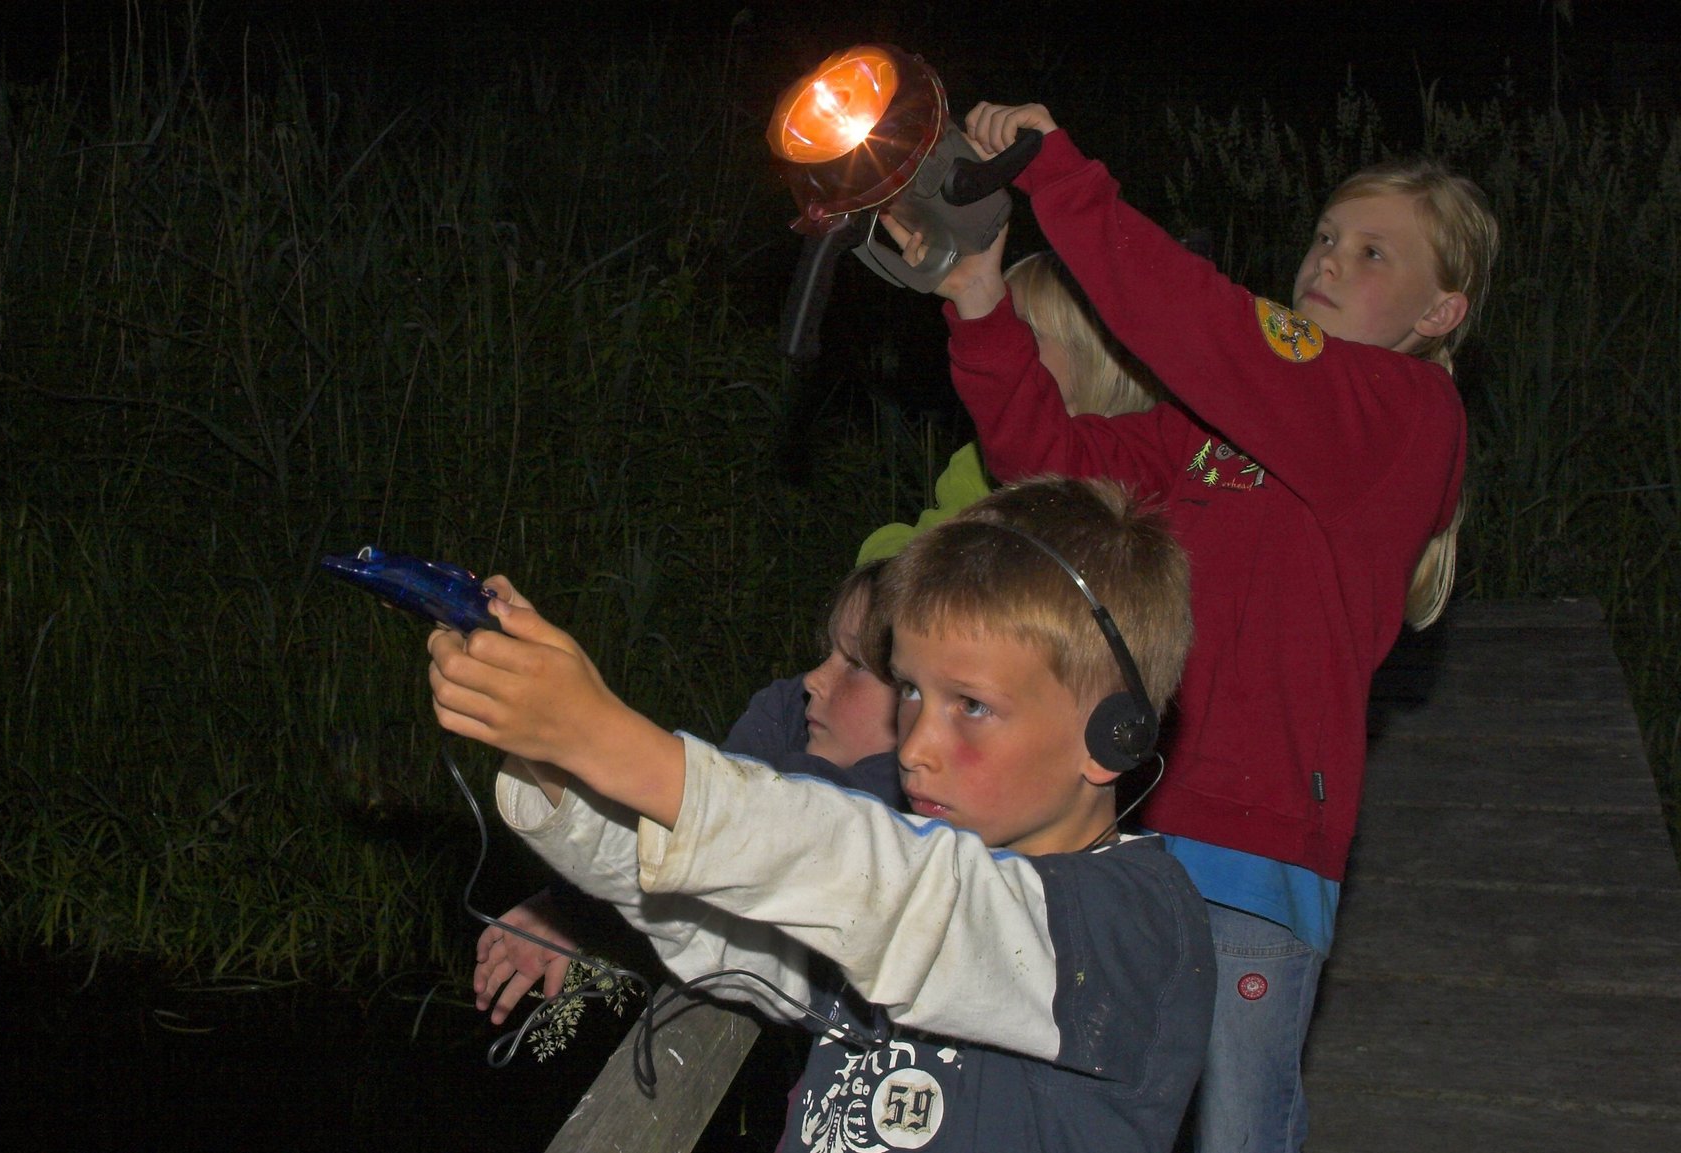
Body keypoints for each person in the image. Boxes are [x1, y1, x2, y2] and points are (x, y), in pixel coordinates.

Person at [888, 101, 1497, 1152]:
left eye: (1370, 253)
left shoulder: (1407, 416)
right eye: (1322, 236)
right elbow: (1048, 463)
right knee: (1070, 1115)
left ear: (1439, 311)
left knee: (1237, 1130)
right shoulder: (1215, 433)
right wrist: (978, 300)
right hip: (1124, 832)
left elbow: (1210, 331)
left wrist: (1061, 177)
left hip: (1254, 856)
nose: (1326, 260)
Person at [431, 476, 1213, 1153]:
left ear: (1112, 735)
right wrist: (558, 765)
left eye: (971, 705)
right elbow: (710, 920)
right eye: (911, 690)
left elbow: (895, 894)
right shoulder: (895, 895)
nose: (917, 747)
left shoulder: (1131, 926)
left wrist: (610, 739)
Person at [472, 560, 903, 1026]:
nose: (815, 680)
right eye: (829, 654)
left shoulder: (905, 837)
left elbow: (744, 832)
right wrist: (569, 908)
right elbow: (700, 840)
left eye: (855, 664)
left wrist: (574, 731)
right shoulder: (788, 713)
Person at [857, 249, 1165, 567]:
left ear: (1095, 355)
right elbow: (909, 554)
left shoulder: (1154, 463)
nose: (1002, 341)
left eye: (1021, 331)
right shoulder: (976, 464)